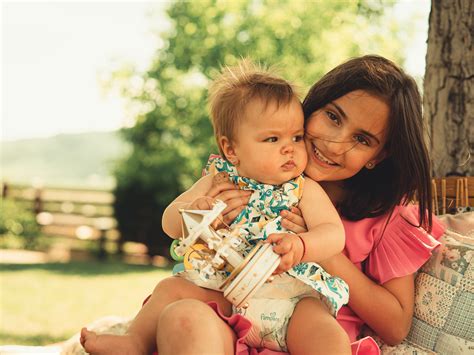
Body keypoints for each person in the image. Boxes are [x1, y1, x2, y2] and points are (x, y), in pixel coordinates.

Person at [81, 60, 351, 355]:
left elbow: (333, 234)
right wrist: (195, 210)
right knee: (170, 290)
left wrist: (300, 245)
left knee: (326, 333)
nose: (289, 147)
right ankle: (134, 342)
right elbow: (169, 223)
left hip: (289, 297)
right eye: (272, 139)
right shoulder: (218, 180)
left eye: (296, 137)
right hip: (221, 292)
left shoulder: (301, 188)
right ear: (231, 149)